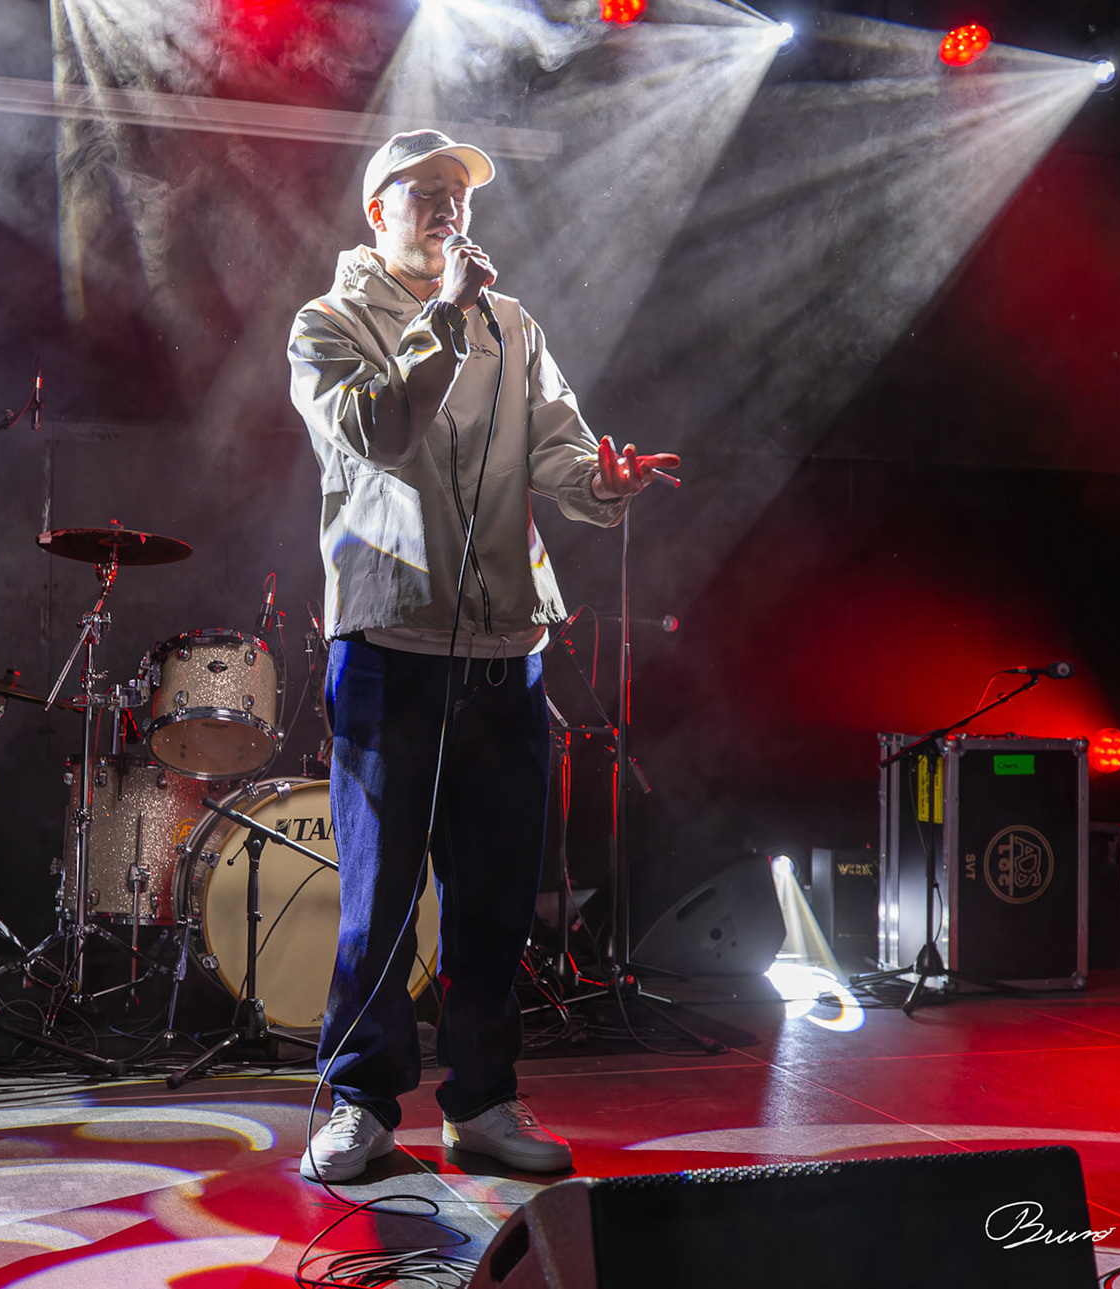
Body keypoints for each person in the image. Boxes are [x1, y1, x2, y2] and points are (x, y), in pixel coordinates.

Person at [285, 129, 679, 1183]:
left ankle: (484, 1100)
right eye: (426, 192)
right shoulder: (328, 325)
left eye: (459, 193)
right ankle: (362, 1101)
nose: (450, 208)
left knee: (497, 897)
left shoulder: (514, 324)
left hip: (509, 650)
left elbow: (555, 443)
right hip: (389, 643)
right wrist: (444, 322)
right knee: (379, 895)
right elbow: (373, 430)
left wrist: (606, 483)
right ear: (378, 212)